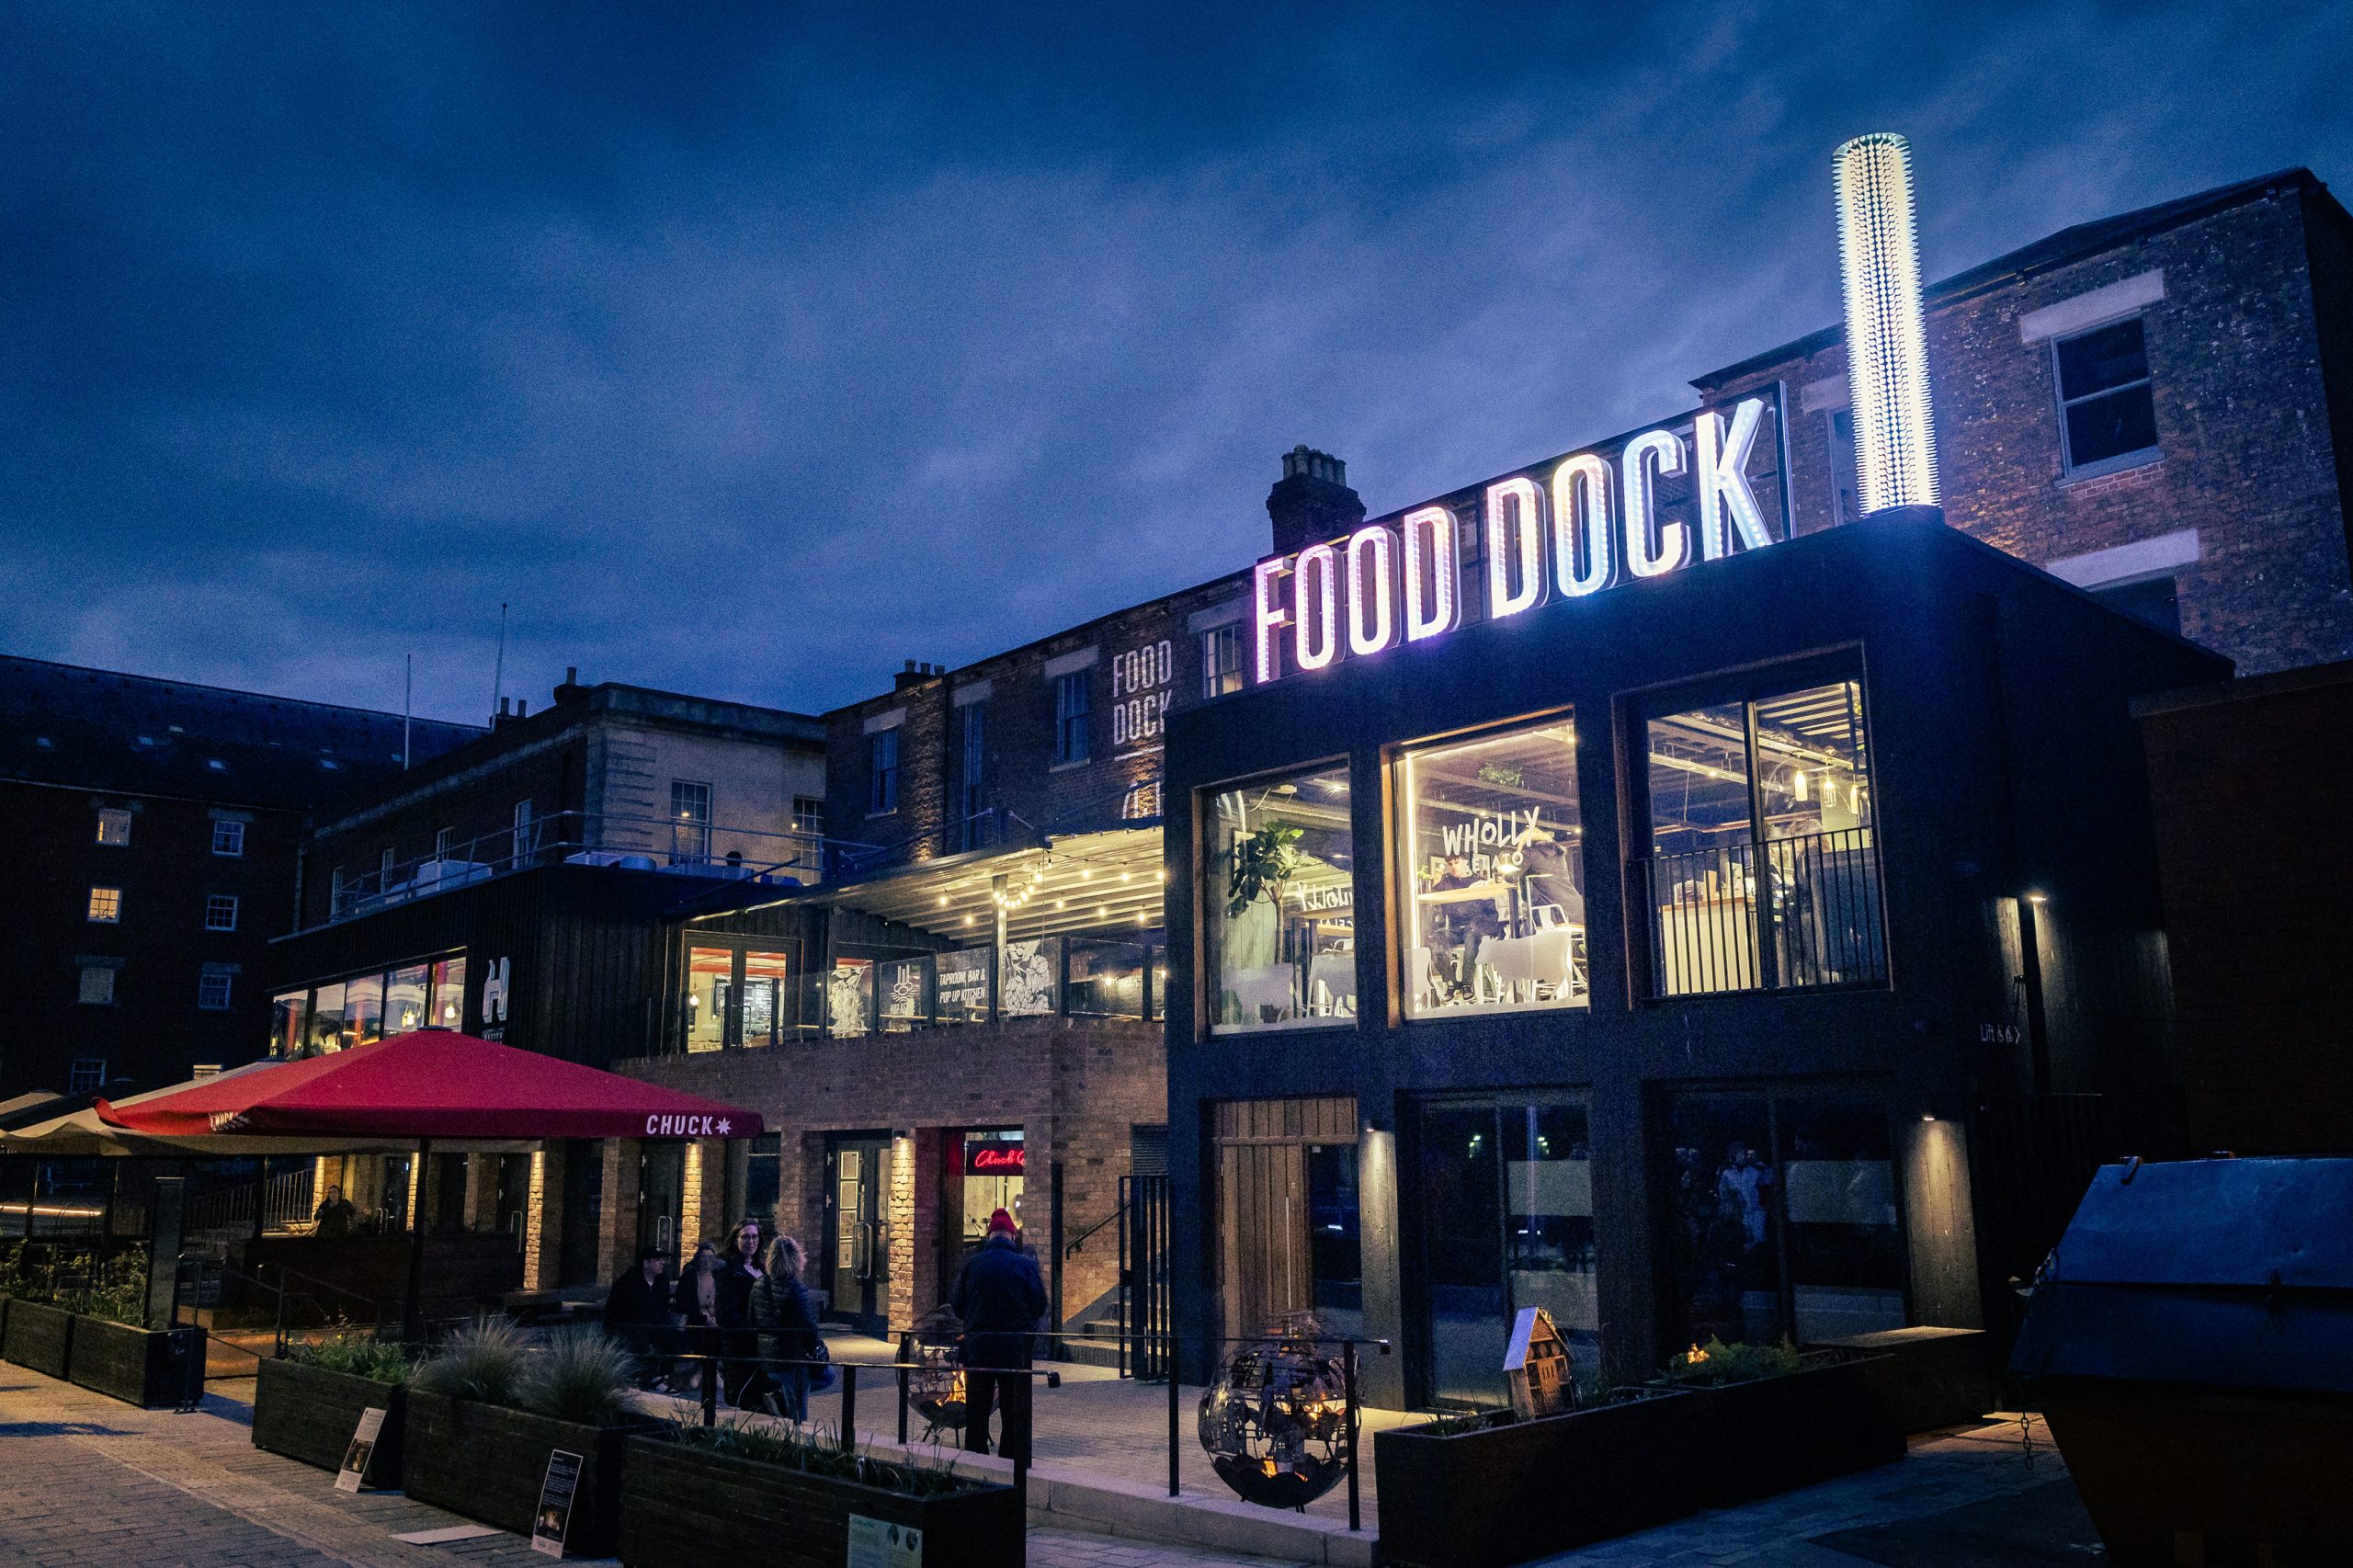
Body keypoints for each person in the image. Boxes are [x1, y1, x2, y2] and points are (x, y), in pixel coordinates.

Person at [952, 1208, 1047, 1461]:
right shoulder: (1025, 1265)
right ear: (1012, 1236)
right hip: (1014, 1348)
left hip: (978, 1347)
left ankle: (976, 1462)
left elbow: (957, 1305)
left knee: (977, 1410)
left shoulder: (971, 1263)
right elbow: (1039, 1304)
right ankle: (1010, 1464)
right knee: (1013, 1410)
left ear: (989, 1234)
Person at [751, 1235, 822, 1421]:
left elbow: (751, 1320)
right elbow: (808, 1327)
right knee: (798, 1413)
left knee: (795, 1392)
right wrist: (817, 1347)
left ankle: (779, 1394)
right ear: (796, 1259)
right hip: (792, 1357)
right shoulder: (796, 1289)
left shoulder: (759, 1284)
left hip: (767, 1357)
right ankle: (796, 1442)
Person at [604, 1245, 679, 1390]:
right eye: (657, 1260)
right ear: (646, 1263)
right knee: (640, 1339)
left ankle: (665, 1375)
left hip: (653, 1325)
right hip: (629, 1326)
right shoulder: (629, 1282)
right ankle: (651, 1378)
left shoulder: (662, 1282)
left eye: (662, 1260)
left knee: (676, 1337)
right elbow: (619, 1311)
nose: (662, 1263)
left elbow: (662, 1309)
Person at [716, 1217, 769, 1408]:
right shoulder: (729, 1271)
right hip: (739, 1342)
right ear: (736, 1239)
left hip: (760, 1342)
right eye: (745, 1237)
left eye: (754, 1237)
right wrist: (751, 1328)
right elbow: (725, 1313)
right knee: (742, 1394)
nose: (751, 1242)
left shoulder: (762, 1269)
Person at [674, 1241, 722, 1392]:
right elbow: (684, 1303)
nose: (707, 1260)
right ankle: (708, 1370)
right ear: (698, 1258)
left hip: (716, 1317)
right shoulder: (691, 1276)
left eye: (710, 1257)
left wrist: (715, 1316)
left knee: (721, 1331)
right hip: (696, 1318)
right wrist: (703, 1317)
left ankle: (701, 1372)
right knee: (702, 1331)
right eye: (703, 1257)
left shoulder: (719, 1277)